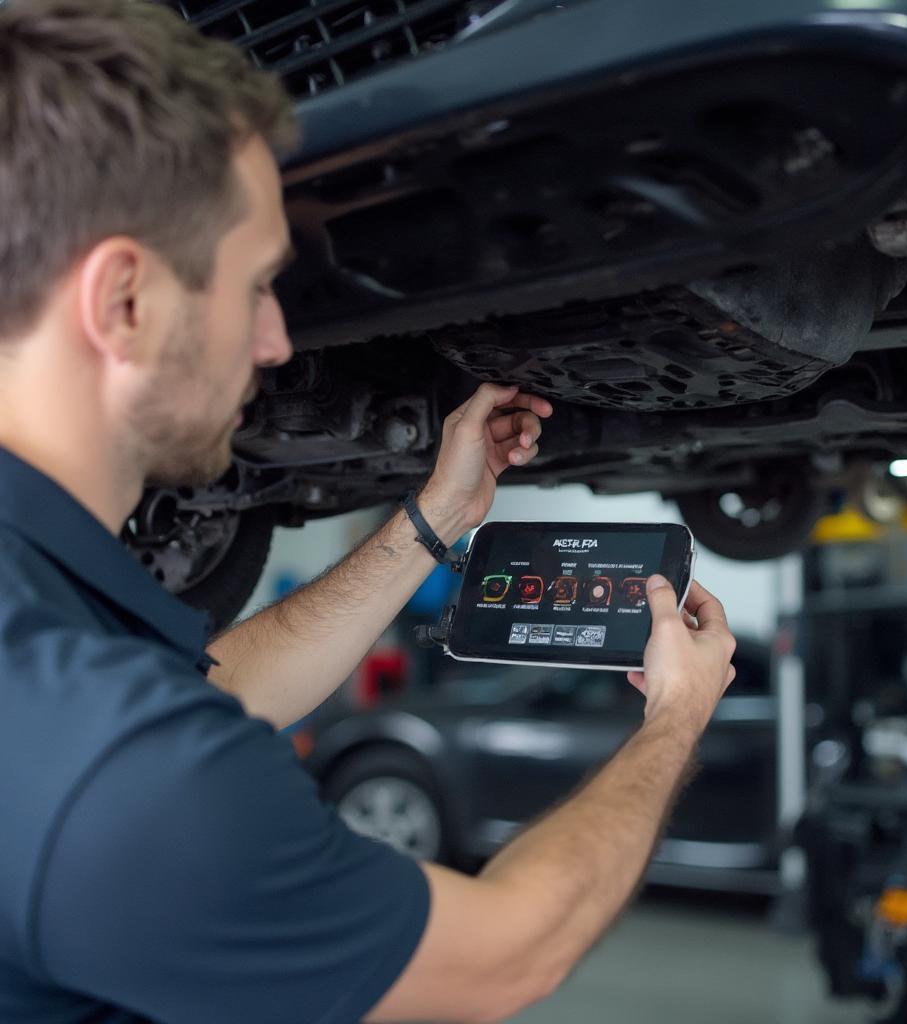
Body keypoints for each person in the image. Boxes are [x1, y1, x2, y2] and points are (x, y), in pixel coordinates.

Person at [0, 2, 737, 1022]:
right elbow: (502, 958)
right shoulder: (104, 764)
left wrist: (430, 523)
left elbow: (211, 694)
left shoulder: (44, 640)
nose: (273, 343)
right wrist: (677, 715)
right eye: (256, 286)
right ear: (122, 301)